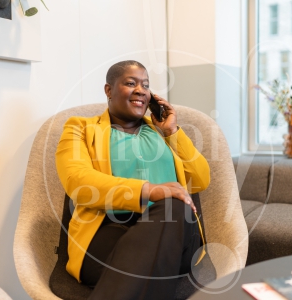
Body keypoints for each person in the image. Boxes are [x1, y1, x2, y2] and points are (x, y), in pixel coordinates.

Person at [55, 60, 211, 300]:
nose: (141, 90)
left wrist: (172, 132)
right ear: (109, 90)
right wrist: (148, 190)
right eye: (131, 83)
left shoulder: (163, 133)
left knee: (175, 205)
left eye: (146, 85)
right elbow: (78, 181)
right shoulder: (80, 128)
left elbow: (201, 179)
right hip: (108, 232)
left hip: (174, 232)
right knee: (147, 267)